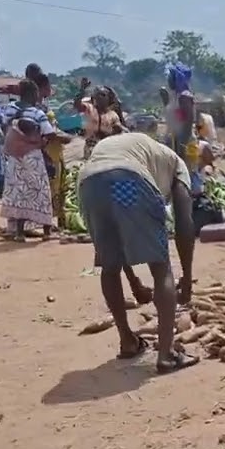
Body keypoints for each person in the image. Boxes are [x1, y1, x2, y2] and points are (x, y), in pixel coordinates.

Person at [78, 132, 198, 373]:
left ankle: (128, 341)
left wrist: (134, 282)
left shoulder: (135, 148)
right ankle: (167, 354)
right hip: (129, 180)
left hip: (89, 184)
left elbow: (119, 238)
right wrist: (186, 278)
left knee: (109, 266)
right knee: (161, 266)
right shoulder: (177, 165)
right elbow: (185, 223)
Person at [1, 79, 59, 240]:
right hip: (33, 155)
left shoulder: (10, 109)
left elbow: (4, 127)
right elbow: (50, 133)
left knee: (20, 192)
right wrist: (41, 141)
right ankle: (47, 232)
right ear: (33, 94)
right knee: (41, 190)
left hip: (15, 156)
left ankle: (19, 232)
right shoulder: (37, 113)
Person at [160, 64, 200, 193]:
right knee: (176, 173)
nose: (168, 80)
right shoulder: (175, 96)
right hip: (175, 139)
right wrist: (165, 100)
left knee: (188, 171)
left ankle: (195, 200)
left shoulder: (185, 96)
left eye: (171, 77)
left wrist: (182, 145)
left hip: (186, 141)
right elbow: (176, 117)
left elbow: (188, 122)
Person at [74, 78, 127, 159]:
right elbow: (77, 104)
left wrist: (123, 130)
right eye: (97, 94)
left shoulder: (112, 115)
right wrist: (82, 90)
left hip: (106, 148)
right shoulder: (89, 109)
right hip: (91, 148)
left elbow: (118, 129)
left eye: (103, 95)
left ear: (109, 98)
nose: (100, 97)